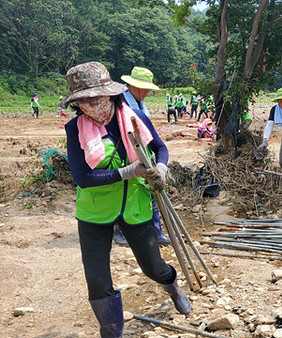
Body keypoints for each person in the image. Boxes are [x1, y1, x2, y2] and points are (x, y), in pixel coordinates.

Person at [61, 62, 190, 338]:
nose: (91, 105)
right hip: (94, 213)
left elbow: (160, 148)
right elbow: (83, 177)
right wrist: (129, 171)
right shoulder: (75, 128)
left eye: (95, 98)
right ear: (77, 103)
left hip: (135, 205)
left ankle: (171, 285)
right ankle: (111, 332)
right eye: (83, 100)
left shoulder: (132, 118)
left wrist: (162, 168)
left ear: (109, 94)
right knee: (97, 281)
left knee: (153, 267)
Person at [118, 66, 171, 246]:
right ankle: (120, 232)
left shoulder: (140, 105)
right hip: (124, 155)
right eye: (145, 88)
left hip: (144, 153)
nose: (148, 92)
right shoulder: (121, 104)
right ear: (134, 86)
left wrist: (161, 168)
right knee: (123, 194)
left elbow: (156, 142)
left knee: (151, 191)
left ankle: (156, 232)